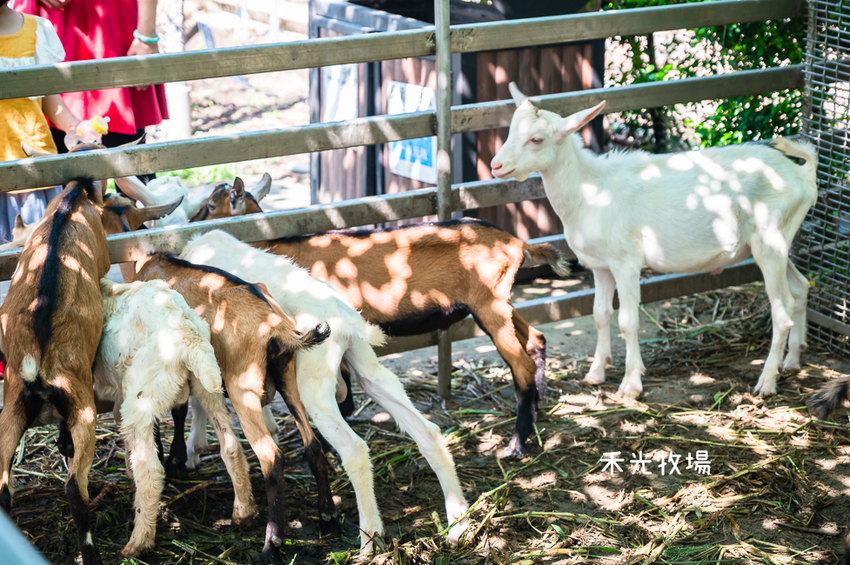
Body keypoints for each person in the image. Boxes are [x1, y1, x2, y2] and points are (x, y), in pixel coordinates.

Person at [15, 0, 168, 156]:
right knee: (56, 151)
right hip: (51, 17)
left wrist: (146, 36)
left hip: (112, 20)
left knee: (129, 152)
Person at [0, 0, 84, 243]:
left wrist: (74, 126)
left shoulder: (37, 30)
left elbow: (49, 98)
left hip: (32, 170)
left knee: (39, 252)